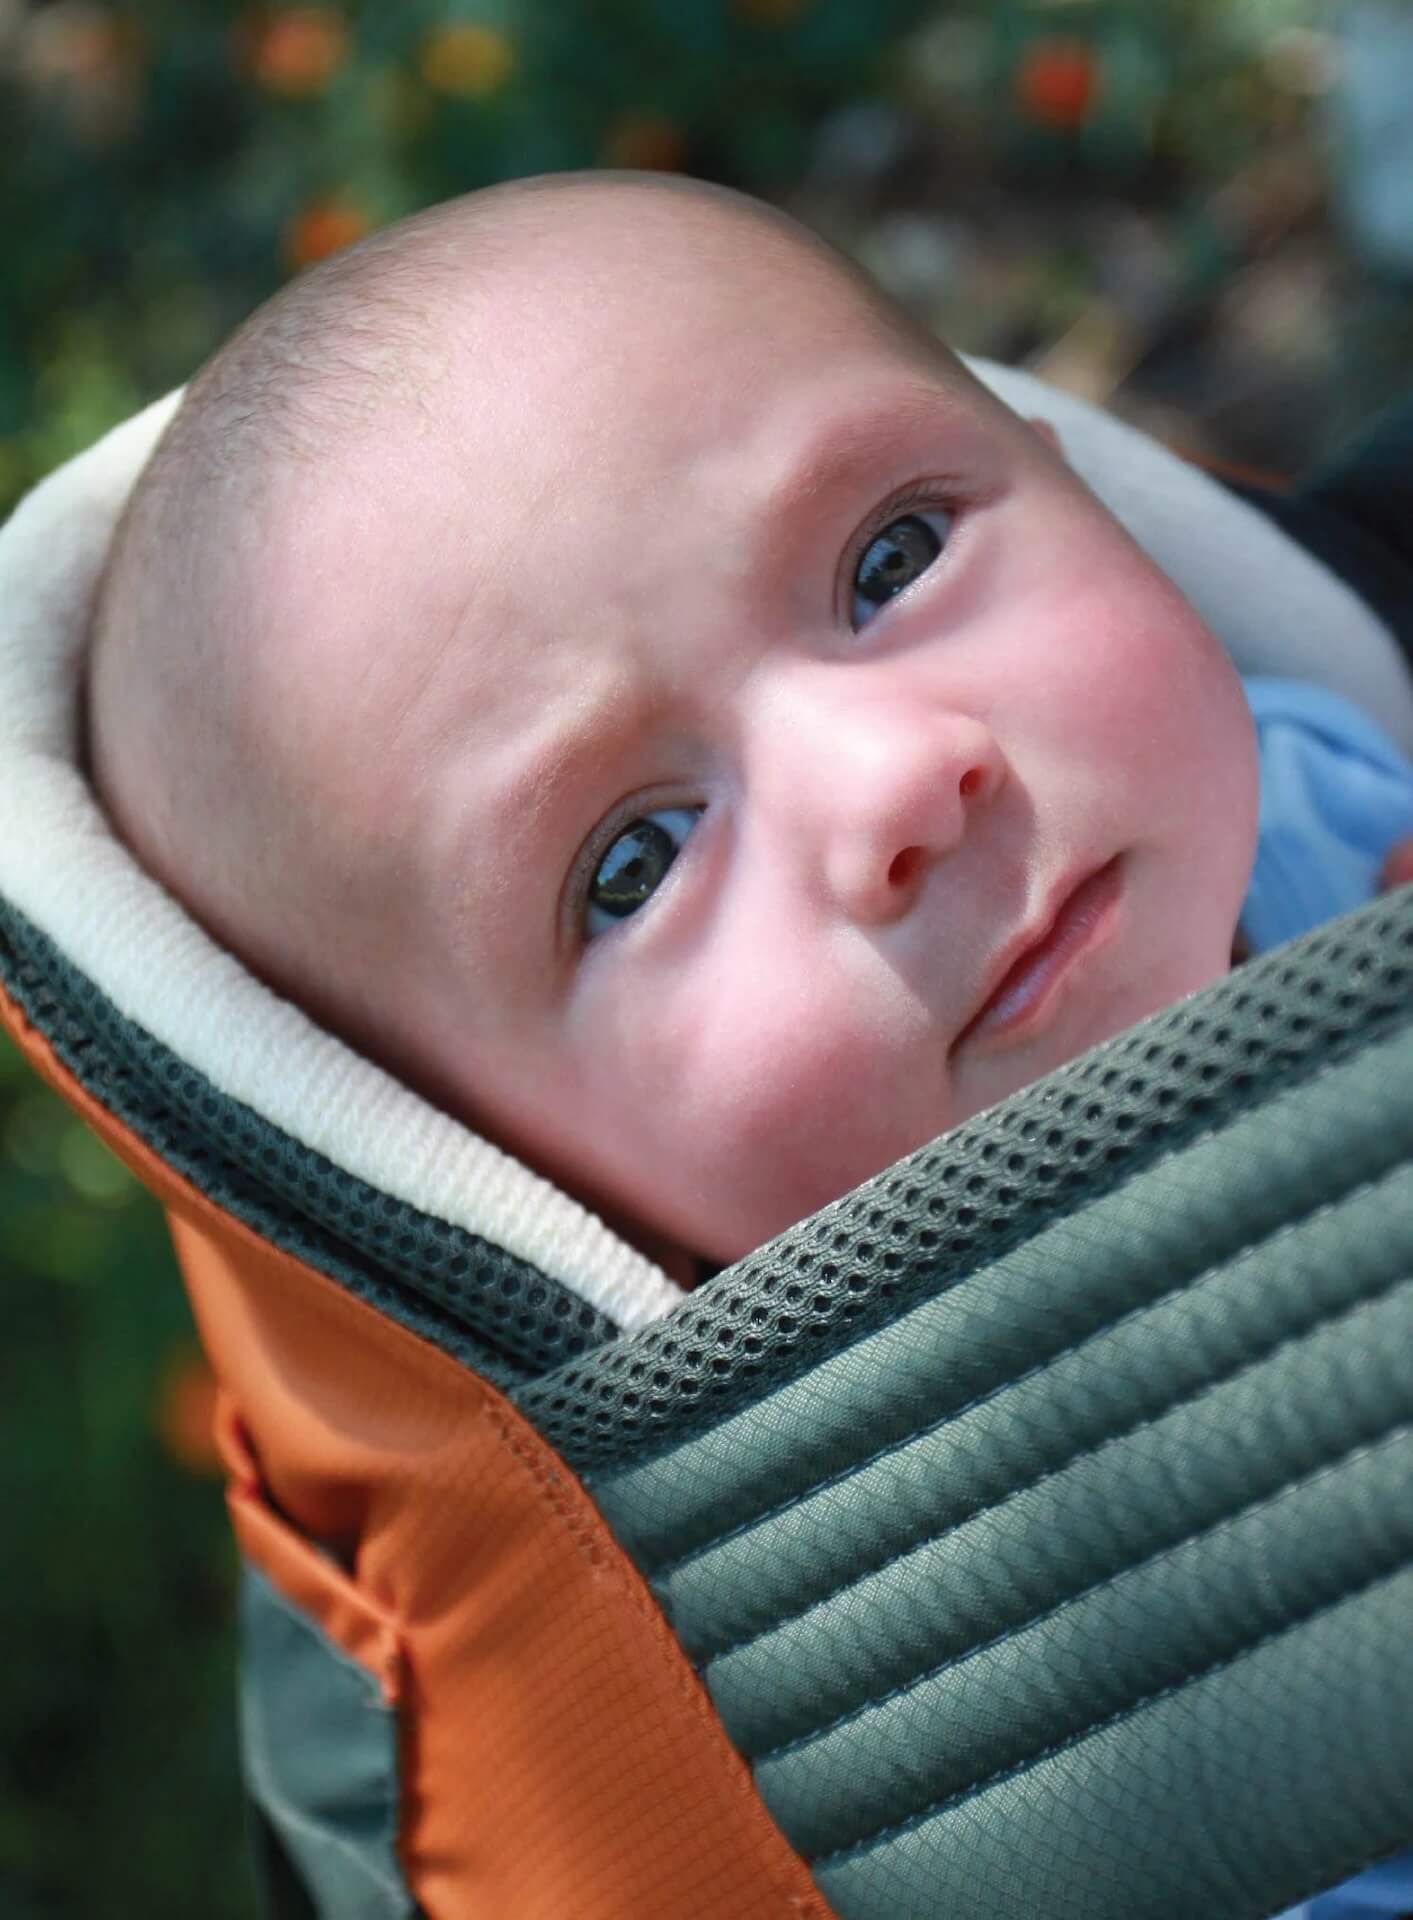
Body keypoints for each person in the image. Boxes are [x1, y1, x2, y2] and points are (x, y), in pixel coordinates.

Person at [85, 170, 1413, 1291]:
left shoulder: (1318, 782)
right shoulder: (876, 1567)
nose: (892, 783)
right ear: (511, 1182)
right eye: (635, 863)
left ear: (1074, 483)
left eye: (890, 559)